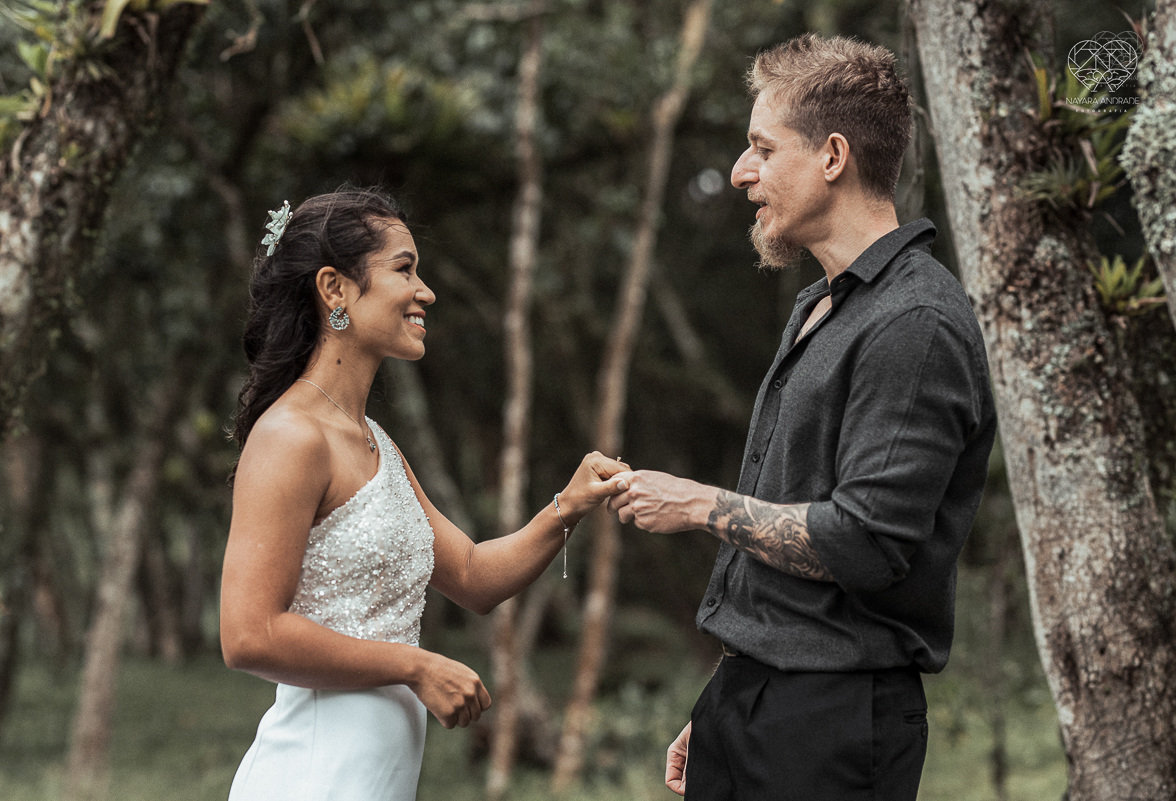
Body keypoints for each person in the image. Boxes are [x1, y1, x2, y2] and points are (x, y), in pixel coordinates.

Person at [608, 34, 997, 800]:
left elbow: (867, 542)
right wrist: (731, 693)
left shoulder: (915, 321)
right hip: (757, 704)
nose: (740, 171)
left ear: (832, 156)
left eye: (761, 147)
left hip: (836, 725)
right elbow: (792, 524)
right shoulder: (820, 304)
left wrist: (700, 505)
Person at [220, 186, 627, 801]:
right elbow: (249, 634)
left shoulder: (374, 440)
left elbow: (471, 574)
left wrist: (568, 506)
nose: (426, 291)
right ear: (334, 289)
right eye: (404, 269)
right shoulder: (290, 436)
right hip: (312, 775)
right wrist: (415, 665)